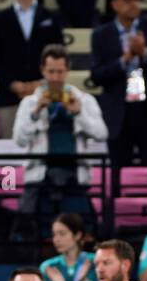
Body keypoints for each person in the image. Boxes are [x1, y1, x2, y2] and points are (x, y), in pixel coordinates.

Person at [12, 44, 107, 239]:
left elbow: (101, 134)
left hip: (75, 178)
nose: (55, 77)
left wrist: (78, 113)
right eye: (51, 71)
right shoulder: (29, 103)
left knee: (80, 236)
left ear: (67, 70)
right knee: (43, 237)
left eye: (60, 72)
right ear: (42, 71)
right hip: (41, 179)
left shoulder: (84, 100)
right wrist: (35, 113)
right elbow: (19, 139)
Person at [90, 0, 147, 168]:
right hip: (118, 111)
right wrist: (124, 60)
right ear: (115, 5)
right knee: (119, 168)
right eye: (128, 0)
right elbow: (97, 75)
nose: (134, 4)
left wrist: (144, 52)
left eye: (137, 0)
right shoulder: (101, 35)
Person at [0, 0, 65, 138]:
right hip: (9, 96)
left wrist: (40, 83)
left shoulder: (51, 17)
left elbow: (60, 53)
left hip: (46, 93)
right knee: (12, 149)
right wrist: (13, 84)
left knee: (45, 145)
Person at [41, 212, 102, 281]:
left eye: (62, 234)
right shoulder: (48, 267)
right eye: (54, 235)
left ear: (77, 235)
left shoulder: (96, 261)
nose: (56, 239)